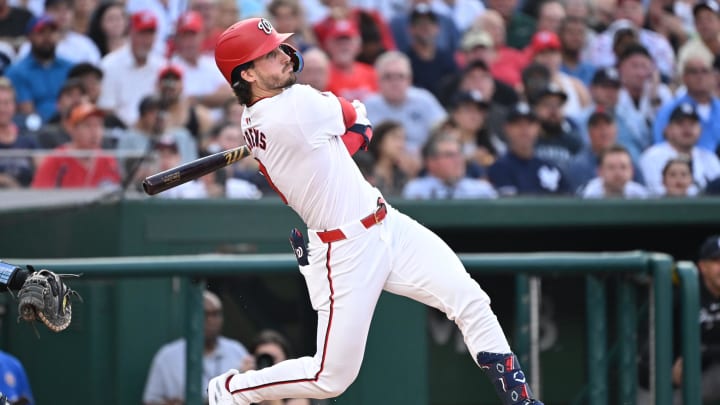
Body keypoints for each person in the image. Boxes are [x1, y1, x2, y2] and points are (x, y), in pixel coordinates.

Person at [208, 17, 544, 405]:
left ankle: (523, 401)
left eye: (280, 47)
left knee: (469, 299)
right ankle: (230, 390)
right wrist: (354, 134)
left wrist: (344, 139)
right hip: (345, 250)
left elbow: (335, 143)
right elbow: (357, 116)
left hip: (387, 223)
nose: (285, 55)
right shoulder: (295, 105)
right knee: (330, 377)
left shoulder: (254, 118)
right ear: (247, 73)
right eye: (269, 54)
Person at [637, 235, 720, 404]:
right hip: (677, 377)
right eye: (716, 261)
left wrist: (704, 352)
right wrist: (668, 374)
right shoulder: (680, 294)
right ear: (702, 267)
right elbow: (647, 356)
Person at [143, 290, 249, 404]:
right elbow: (150, 401)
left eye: (216, 314)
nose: (211, 321)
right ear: (192, 317)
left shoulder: (237, 351)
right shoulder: (167, 356)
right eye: (205, 315)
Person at [31, 102, 121, 188]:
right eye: (88, 125)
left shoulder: (108, 160)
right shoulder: (56, 159)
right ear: (72, 129)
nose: (95, 132)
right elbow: (39, 196)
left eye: (98, 125)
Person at [487, 102, 571, 196]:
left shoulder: (550, 167)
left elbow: (569, 203)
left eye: (529, 124)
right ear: (507, 128)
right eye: (518, 124)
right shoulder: (499, 168)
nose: (524, 129)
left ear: (538, 128)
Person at [97, 10, 164, 127]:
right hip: (120, 131)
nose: (146, 40)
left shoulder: (162, 66)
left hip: (155, 129)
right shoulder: (109, 65)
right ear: (131, 33)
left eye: (150, 34)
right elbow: (106, 109)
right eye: (142, 34)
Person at [5, 15, 75, 124]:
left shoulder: (70, 67)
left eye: (51, 32)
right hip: (36, 129)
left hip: (71, 123)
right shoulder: (17, 71)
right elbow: (27, 111)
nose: (47, 38)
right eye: (41, 32)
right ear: (29, 37)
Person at [640, 102, 720, 195]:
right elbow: (655, 191)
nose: (687, 129)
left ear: (700, 130)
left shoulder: (710, 158)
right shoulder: (651, 157)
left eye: (692, 124)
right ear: (667, 129)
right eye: (680, 123)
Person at [402, 133, 497, 199]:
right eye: (449, 155)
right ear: (431, 162)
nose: (458, 160)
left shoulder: (482, 191)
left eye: (459, 154)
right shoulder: (416, 191)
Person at [239, 330, 311, 405]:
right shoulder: (245, 388)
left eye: (273, 358)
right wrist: (243, 380)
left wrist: (269, 386)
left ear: (286, 360)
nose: (268, 364)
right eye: (264, 358)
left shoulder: (297, 392)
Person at [0, 78, 38, 188]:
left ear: (14, 106)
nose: (2, 108)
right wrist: (5, 181)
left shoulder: (27, 139)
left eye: (7, 103)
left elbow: (43, 169)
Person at [578, 144, 648, 199]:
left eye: (623, 167)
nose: (618, 173)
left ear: (632, 171)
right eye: (611, 167)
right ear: (600, 172)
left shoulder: (640, 195)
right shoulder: (589, 196)